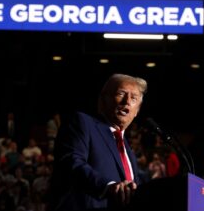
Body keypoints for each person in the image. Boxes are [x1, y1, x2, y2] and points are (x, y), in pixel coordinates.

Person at [48, 73, 148, 211]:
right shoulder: (83, 123)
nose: (127, 101)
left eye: (134, 98)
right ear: (103, 100)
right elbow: (71, 162)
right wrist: (107, 186)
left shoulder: (127, 149)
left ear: (137, 110)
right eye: (121, 93)